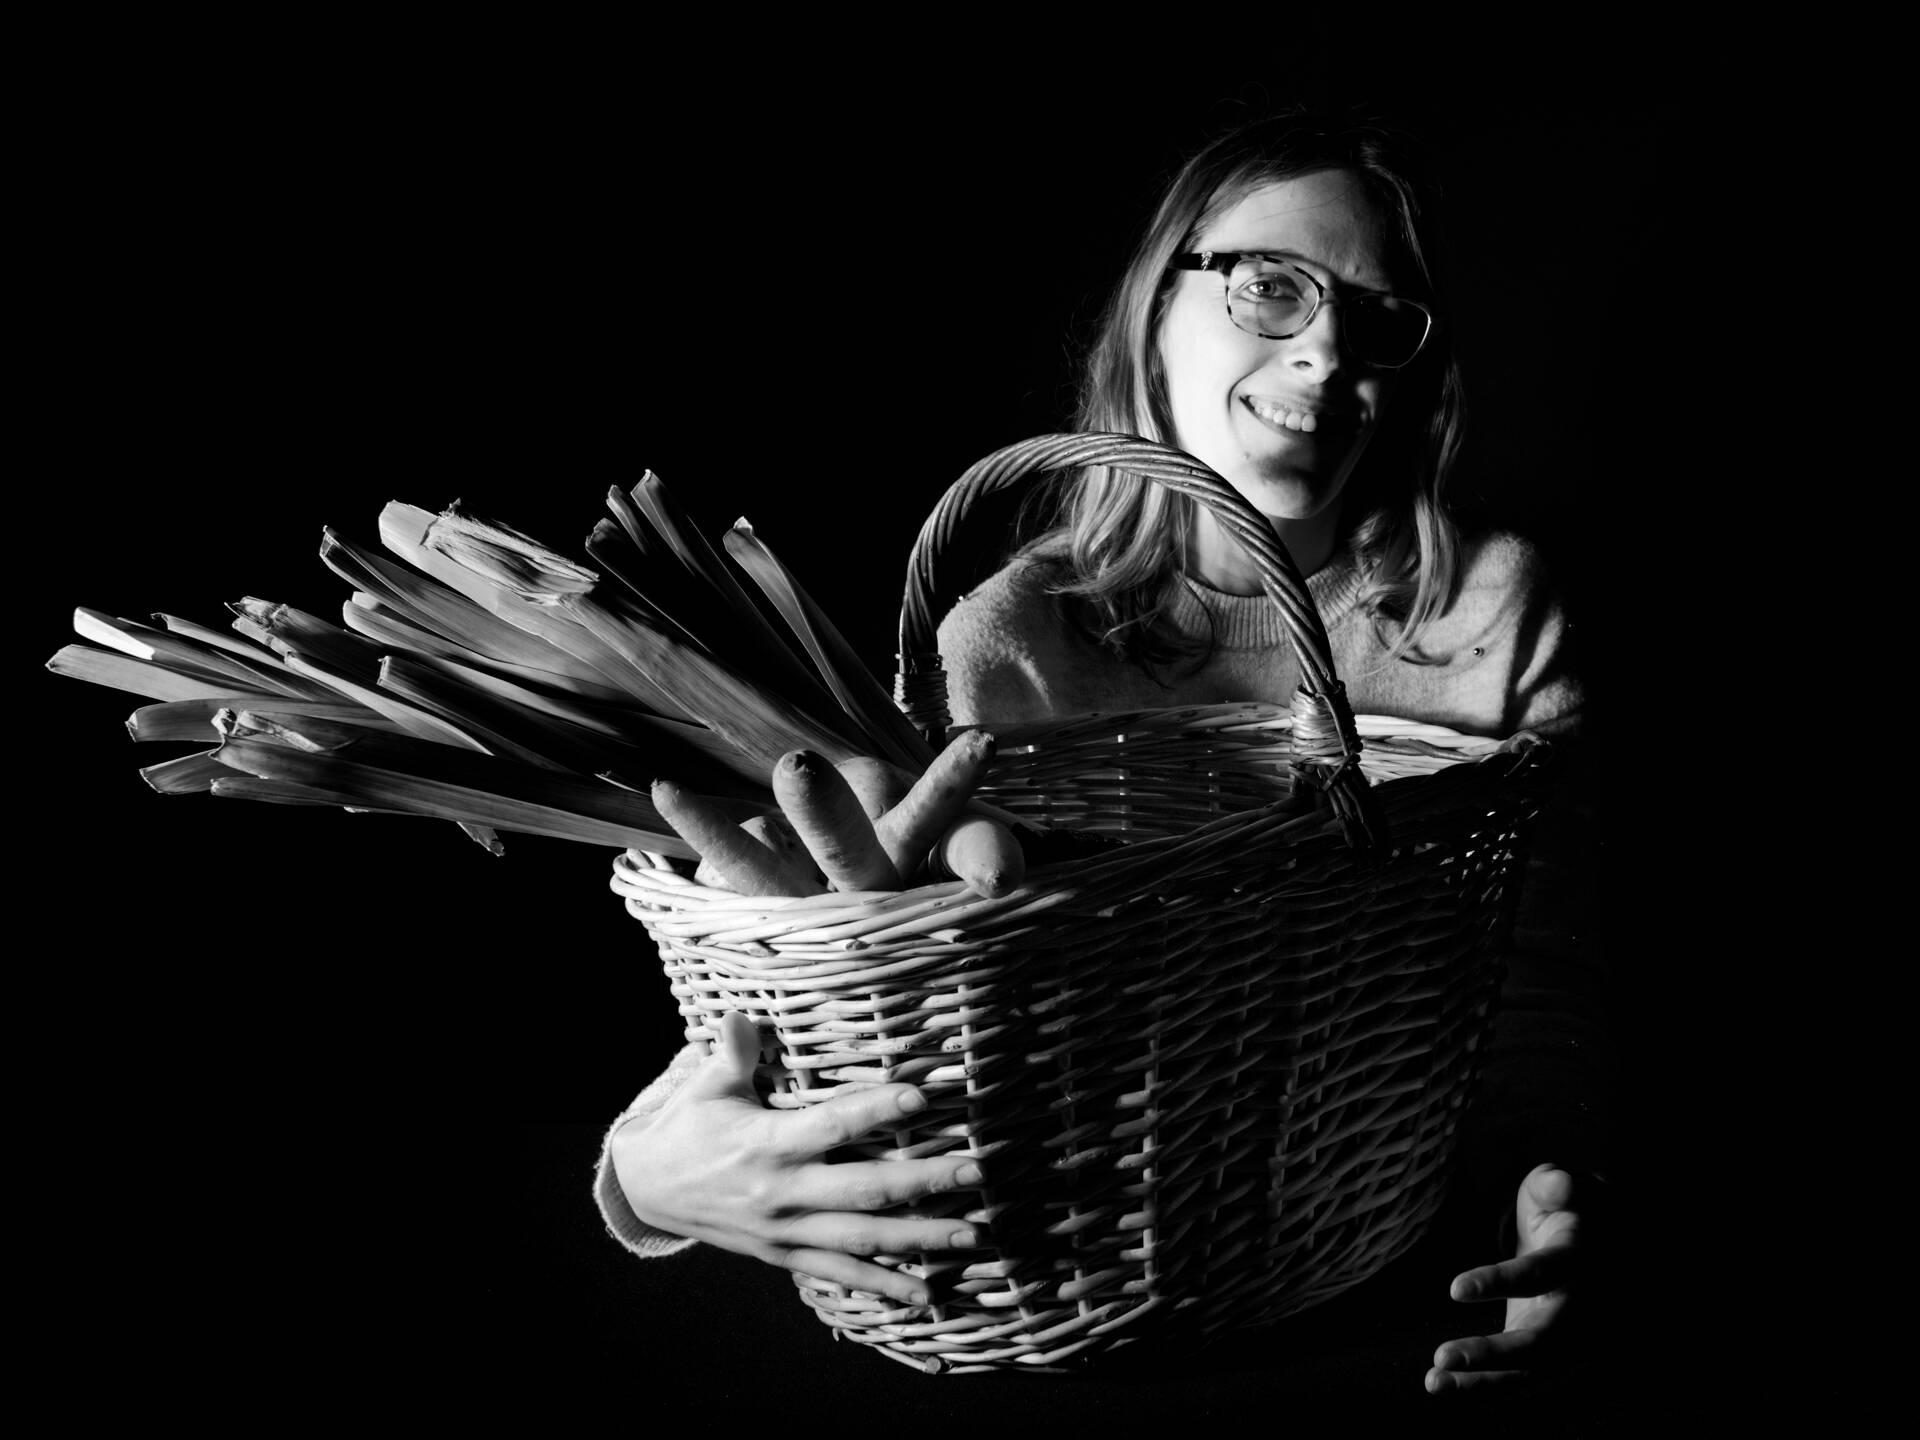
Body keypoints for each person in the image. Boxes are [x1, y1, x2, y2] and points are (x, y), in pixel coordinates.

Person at [597, 110, 1607, 1396]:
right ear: (1154, 313)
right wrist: (642, 1174)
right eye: (1270, 287)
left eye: (1379, 319)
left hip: (1371, 1240)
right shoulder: (1011, 640)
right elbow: (883, 984)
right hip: (1080, 1256)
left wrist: (1562, 1184)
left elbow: (1543, 970)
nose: (1327, 351)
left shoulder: (1489, 610)